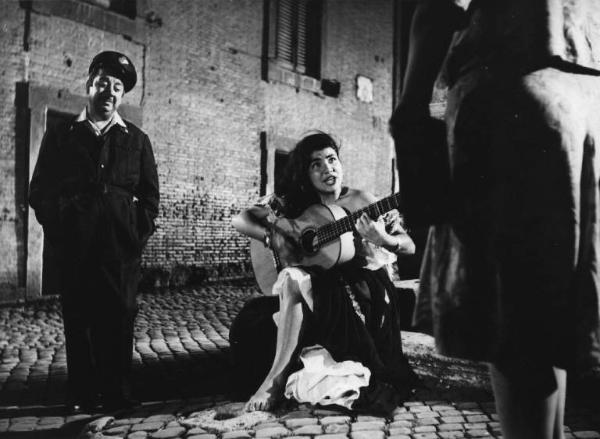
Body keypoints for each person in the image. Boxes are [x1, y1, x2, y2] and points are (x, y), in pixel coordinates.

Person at [390, 1, 600, 438]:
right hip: (591, 100)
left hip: (510, 88)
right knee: (552, 314)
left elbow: (443, 6)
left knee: (516, 319)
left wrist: (410, 107)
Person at [231, 131, 418, 413]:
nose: (326, 168)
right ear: (306, 174)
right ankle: (277, 376)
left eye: (331, 159)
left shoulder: (364, 200)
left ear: (341, 164)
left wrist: (383, 240)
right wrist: (275, 238)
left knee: (296, 279)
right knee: (255, 321)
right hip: (317, 288)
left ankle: (274, 382)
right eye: (315, 164)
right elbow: (241, 220)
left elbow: (409, 246)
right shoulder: (295, 204)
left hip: (360, 289)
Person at [29, 51, 159, 412]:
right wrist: (63, 228)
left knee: (118, 320)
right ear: (90, 84)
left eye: (118, 87)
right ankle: (83, 395)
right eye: (104, 83)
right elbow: (39, 192)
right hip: (77, 249)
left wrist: (134, 234)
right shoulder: (61, 136)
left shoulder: (136, 140)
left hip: (121, 252)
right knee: (80, 320)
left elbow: (150, 199)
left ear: (122, 95)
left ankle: (117, 392)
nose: (110, 92)